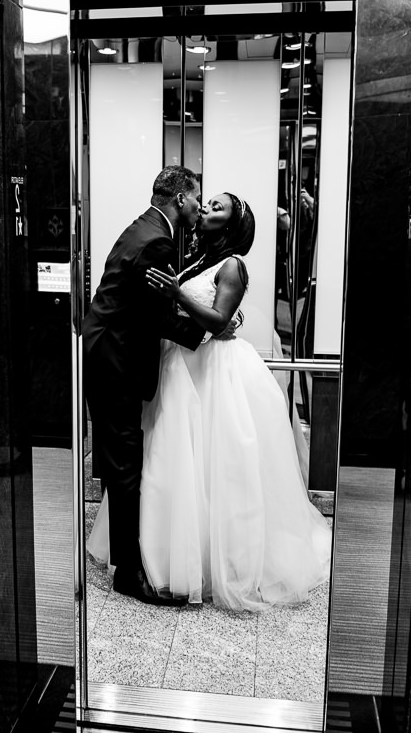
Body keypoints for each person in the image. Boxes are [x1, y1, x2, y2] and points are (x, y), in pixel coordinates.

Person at [90, 192, 333, 611]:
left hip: (212, 371)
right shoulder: (194, 261)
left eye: (216, 207)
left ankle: (218, 561)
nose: (205, 210)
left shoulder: (233, 265)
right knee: (174, 463)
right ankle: (165, 555)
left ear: (232, 226)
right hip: (180, 366)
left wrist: (180, 297)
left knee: (215, 466)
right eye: (206, 204)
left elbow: (219, 320)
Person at [82, 165, 208, 607]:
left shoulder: (148, 226)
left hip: (109, 353)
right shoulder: (158, 240)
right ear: (179, 198)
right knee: (125, 465)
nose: (199, 205)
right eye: (196, 197)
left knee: (122, 462)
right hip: (114, 360)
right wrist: (207, 332)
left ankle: (127, 563)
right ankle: (129, 574)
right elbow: (155, 315)